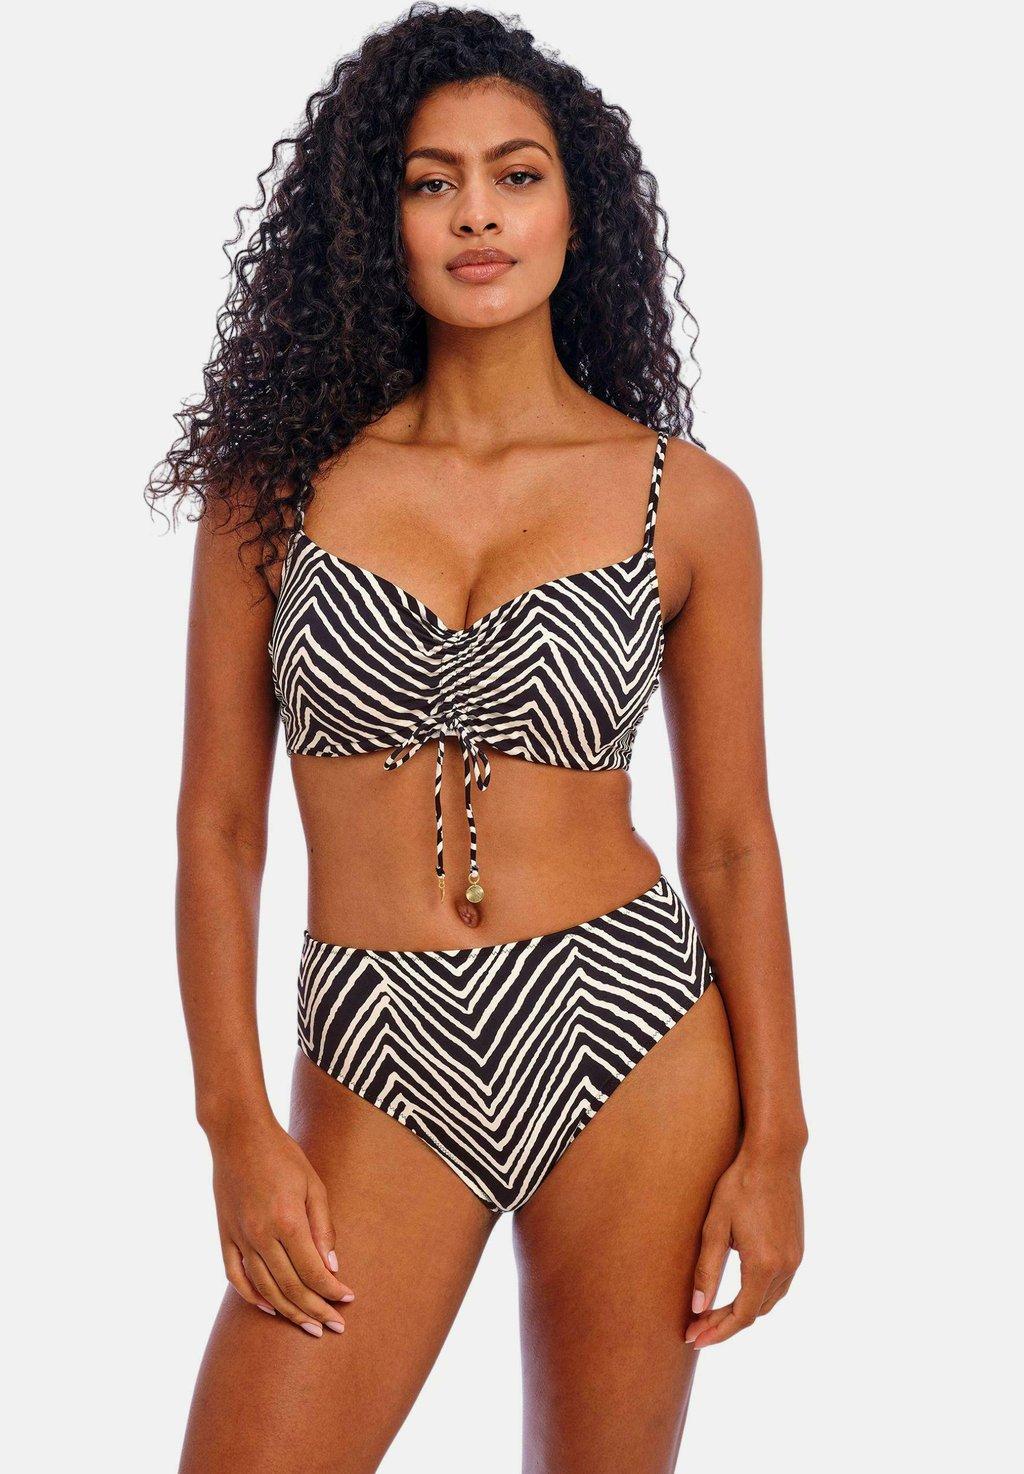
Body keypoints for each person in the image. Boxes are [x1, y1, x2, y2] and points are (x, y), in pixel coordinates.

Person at [148, 7, 807, 1470]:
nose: (477, 216)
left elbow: (731, 841)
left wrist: (779, 1142)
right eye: (429, 182)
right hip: (378, 1036)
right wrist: (234, 1120)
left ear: (580, 210)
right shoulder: (273, 492)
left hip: (634, 1027)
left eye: (517, 175)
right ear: (371, 222)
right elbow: (218, 828)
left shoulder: (688, 501)